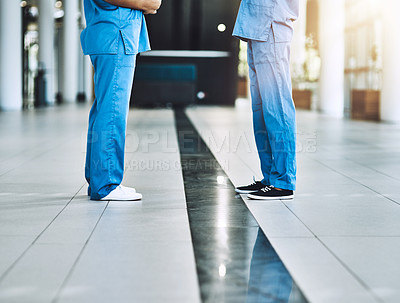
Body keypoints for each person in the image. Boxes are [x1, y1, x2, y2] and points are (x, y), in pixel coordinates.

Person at [81, 0, 161, 201]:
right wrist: (145, 3)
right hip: (116, 36)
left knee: (104, 108)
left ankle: (98, 180)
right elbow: (151, 3)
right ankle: (106, 184)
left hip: (113, 36)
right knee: (113, 110)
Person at [233, 0, 298, 200]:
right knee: (262, 108)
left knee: (276, 104)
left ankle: (283, 181)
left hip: (271, 23)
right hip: (256, 25)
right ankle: (271, 177)